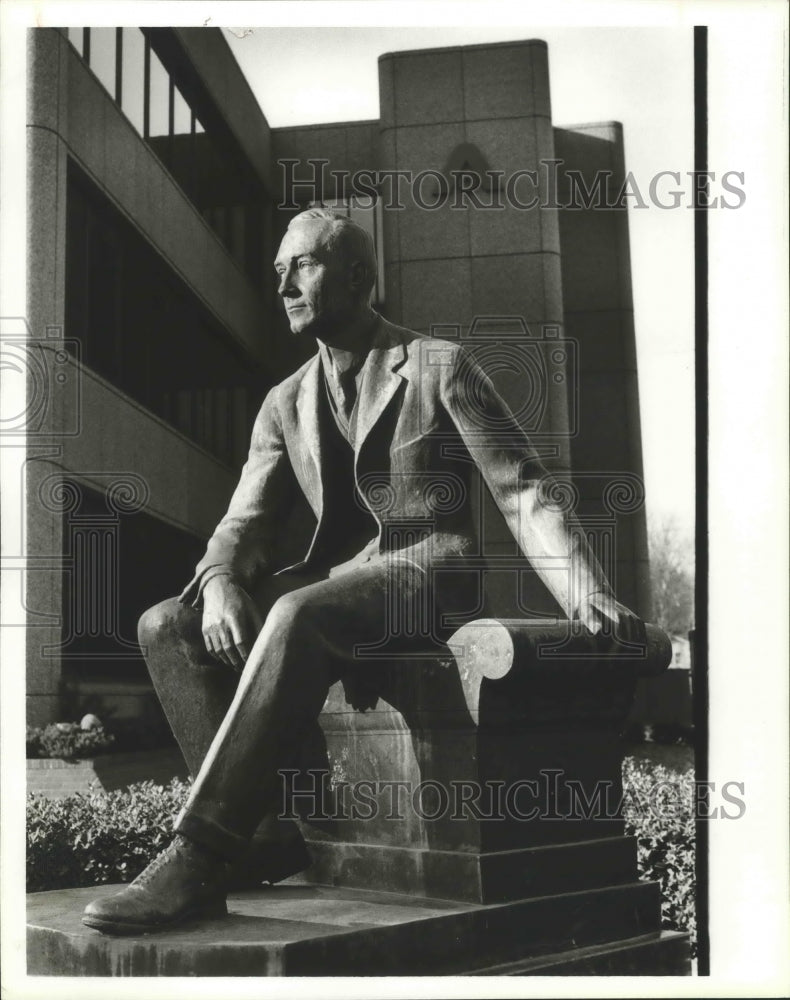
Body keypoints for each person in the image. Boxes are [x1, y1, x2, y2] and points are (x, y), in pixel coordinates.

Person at [82, 208, 640, 936]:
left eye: (302, 266)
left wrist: (587, 591)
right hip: (334, 582)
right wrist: (218, 577)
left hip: (427, 570)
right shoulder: (283, 402)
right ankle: (263, 837)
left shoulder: (439, 365)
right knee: (166, 624)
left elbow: (522, 487)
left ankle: (197, 854)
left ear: (357, 276)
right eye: (278, 270)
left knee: (296, 613)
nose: (283, 284)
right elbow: (244, 518)